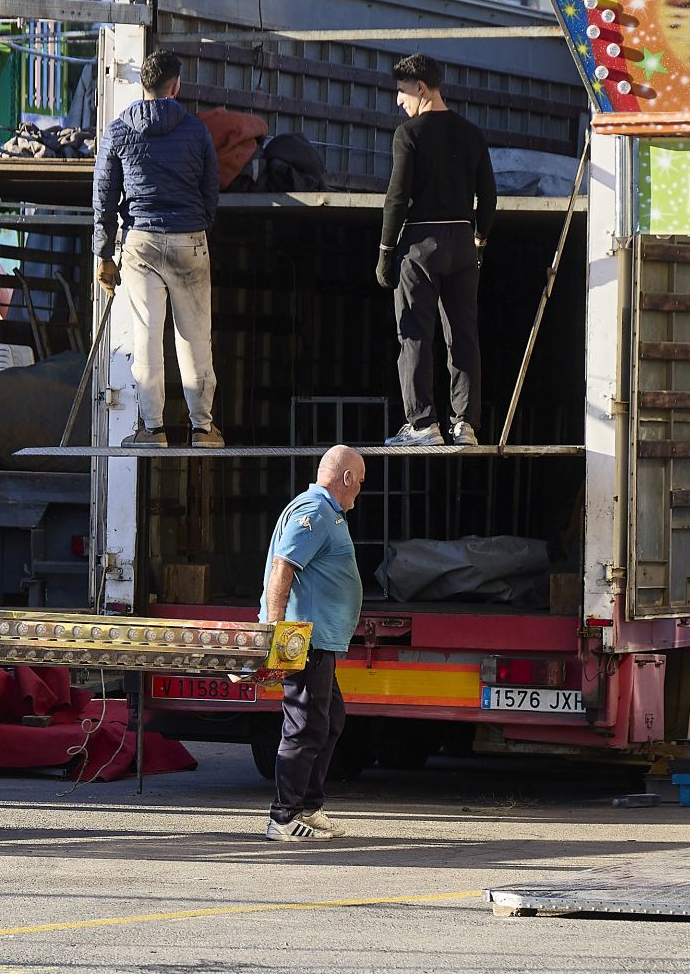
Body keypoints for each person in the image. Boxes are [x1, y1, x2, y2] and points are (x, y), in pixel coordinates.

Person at [93, 48, 224, 449]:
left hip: (140, 243)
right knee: (195, 338)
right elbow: (210, 192)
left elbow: (103, 196)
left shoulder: (118, 131)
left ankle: (153, 430)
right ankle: (203, 429)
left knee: (147, 338)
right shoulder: (196, 131)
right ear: (176, 85)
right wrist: (197, 225)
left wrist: (103, 253)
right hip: (189, 240)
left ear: (142, 85)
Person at [377, 53, 496, 446]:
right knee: (463, 333)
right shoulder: (472, 133)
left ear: (421, 89)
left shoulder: (408, 135)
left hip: (420, 243)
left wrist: (385, 250)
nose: (399, 101)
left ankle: (423, 424)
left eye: (402, 91)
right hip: (462, 241)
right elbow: (489, 196)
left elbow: (397, 197)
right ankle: (464, 425)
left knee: (414, 332)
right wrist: (479, 240)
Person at [259, 444, 366, 840]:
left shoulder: (326, 512)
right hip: (303, 642)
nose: (359, 493)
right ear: (347, 477)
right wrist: (274, 630)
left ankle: (309, 805)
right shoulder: (315, 512)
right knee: (304, 726)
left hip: (318, 641)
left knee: (330, 720)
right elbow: (283, 566)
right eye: (360, 484)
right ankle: (283, 816)